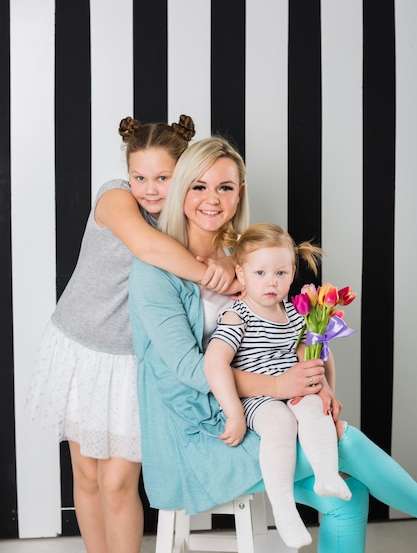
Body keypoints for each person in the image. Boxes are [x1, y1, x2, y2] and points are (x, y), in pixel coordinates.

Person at [129, 135, 417, 553]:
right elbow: (191, 372)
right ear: (181, 189)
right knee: (344, 441)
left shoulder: (247, 256)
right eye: (198, 186)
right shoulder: (154, 271)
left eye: (224, 187)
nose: (212, 199)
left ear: (239, 192)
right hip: (200, 430)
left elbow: (288, 329)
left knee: (348, 500)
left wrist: (318, 384)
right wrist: (281, 386)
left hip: (266, 414)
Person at [26, 116, 237, 553]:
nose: (151, 189)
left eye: (164, 177)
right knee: (85, 474)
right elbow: (147, 248)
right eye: (140, 176)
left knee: (119, 481)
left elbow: (234, 252)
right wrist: (213, 276)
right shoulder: (115, 198)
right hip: (80, 349)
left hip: (131, 361)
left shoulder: (193, 215)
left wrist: (228, 266)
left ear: (184, 174)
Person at [205, 223, 352, 548]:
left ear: (292, 272)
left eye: (280, 273)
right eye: (259, 273)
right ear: (241, 275)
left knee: (314, 407)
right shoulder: (237, 315)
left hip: (293, 385)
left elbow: (310, 350)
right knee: (279, 423)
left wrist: (325, 387)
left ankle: (326, 474)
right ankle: (284, 509)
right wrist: (234, 414)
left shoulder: (294, 312)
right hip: (259, 396)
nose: (271, 282)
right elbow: (215, 363)